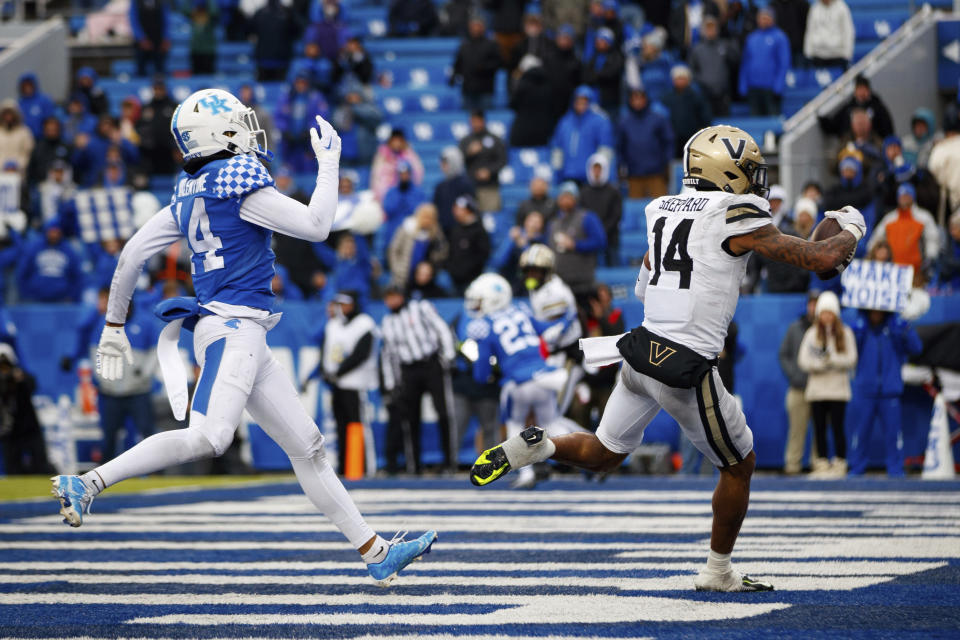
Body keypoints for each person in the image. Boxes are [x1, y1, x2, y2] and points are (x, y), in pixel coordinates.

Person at [49, 89, 437, 585]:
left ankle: (374, 549)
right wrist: (329, 164)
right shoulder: (238, 184)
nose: (249, 131)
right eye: (238, 122)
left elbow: (129, 255)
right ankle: (88, 482)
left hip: (239, 331)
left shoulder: (187, 192)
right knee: (210, 437)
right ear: (217, 132)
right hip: (233, 329)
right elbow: (318, 226)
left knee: (310, 447)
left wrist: (114, 325)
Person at [470, 124, 867, 592]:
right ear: (725, 171)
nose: (755, 181)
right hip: (684, 366)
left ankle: (541, 447)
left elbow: (644, 278)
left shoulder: (662, 208)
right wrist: (853, 229)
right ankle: (718, 572)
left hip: (640, 352)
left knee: (603, 453)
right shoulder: (732, 211)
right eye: (749, 171)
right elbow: (818, 260)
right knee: (739, 465)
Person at [464, 273, 586, 488]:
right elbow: (548, 329)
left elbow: (481, 372)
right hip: (544, 375)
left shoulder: (484, 325)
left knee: (515, 426)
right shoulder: (521, 310)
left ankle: (526, 474)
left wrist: (487, 374)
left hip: (518, 383)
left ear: (492, 300)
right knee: (551, 424)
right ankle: (587, 455)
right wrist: (567, 318)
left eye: (479, 302)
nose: (475, 308)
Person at [379, 284, 456, 473]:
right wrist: (391, 382)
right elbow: (388, 354)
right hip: (408, 370)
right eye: (388, 298)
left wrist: (448, 356)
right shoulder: (387, 322)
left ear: (401, 295)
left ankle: (449, 462)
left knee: (443, 412)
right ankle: (415, 465)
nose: (392, 301)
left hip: (430, 364)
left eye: (394, 296)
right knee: (411, 418)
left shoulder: (421, 307)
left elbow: (442, 329)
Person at [848, 302, 923, 478]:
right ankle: (857, 468)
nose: (876, 312)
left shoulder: (895, 329)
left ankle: (895, 470)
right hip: (865, 390)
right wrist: (857, 332)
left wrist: (905, 330)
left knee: (893, 434)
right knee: (861, 432)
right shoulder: (860, 328)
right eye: (873, 309)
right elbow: (849, 353)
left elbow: (917, 348)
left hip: (890, 391)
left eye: (880, 309)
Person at [311, 291, 378, 473]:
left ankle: (363, 467)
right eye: (340, 304)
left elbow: (361, 354)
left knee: (357, 424)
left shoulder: (364, 323)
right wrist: (327, 373)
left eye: (347, 304)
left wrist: (338, 372)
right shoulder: (333, 324)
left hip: (356, 384)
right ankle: (343, 466)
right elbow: (325, 352)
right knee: (340, 425)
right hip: (336, 385)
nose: (343, 308)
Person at [797, 290, 857, 477]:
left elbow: (852, 359)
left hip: (838, 391)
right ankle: (821, 463)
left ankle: (840, 462)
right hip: (817, 391)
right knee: (819, 429)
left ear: (836, 314)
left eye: (830, 312)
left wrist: (834, 361)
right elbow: (803, 361)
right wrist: (819, 365)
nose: (827, 316)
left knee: (838, 428)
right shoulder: (812, 333)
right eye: (823, 312)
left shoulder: (845, 333)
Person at [779, 290, 820, 474]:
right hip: (798, 389)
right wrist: (795, 375)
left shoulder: (829, 328)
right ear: (807, 305)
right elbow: (783, 354)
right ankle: (792, 465)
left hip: (821, 389)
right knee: (796, 431)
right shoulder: (795, 327)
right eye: (812, 303)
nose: (814, 307)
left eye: (818, 303)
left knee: (820, 431)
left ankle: (819, 465)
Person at [868, 183, 940, 279]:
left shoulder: (923, 217)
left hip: (916, 271)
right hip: (891, 271)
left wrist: (931, 256)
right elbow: (877, 237)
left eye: (907, 195)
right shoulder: (890, 219)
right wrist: (870, 253)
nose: (904, 198)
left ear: (913, 197)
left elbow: (932, 238)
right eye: (901, 196)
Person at [0, 343, 53, 474]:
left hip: (30, 428)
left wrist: (20, 379)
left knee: (41, 467)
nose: (4, 371)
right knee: (13, 470)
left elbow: (32, 385)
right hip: (9, 432)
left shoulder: (22, 377)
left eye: (6, 366)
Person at [548, 181, 607, 295]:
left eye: (568, 196)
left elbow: (600, 242)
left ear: (576, 198)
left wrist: (575, 245)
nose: (565, 200)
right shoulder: (554, 223)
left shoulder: (587, 218)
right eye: (562, 196)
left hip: (583, 282)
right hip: (559, 282)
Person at [550, 86, 615, 184]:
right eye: (578, 101)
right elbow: (557, 149)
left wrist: (601, 175)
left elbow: (605, 150)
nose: (581, 105)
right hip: (568, 176)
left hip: (590, 177)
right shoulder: (565, 122)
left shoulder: (600, 122)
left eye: (584, 102)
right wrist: (557, 171)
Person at [617, 87, 673, 199]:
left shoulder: (658, 119)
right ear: (630, 101)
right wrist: (620, 167)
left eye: (640, 98)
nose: (638, 102)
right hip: (634, 175)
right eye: (635, 99)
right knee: (636, 209)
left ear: (646, 100)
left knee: (661, 208)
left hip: (656, 174)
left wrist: (666, 163)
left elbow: (668, 142)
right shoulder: (624, 122)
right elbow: (619, 146)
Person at [737, 6, 790, 116]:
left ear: (772, 19)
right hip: (753, 87)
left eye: (766, 17)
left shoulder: (779, 37)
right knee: (755, 120)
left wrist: (778, 85)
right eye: (761, 17)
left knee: (772, 121)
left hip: (770, 88)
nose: (763, 20)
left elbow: (783, 63)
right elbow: (745, 63)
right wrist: (743, 84)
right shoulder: (752, 38)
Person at [275, 72, 331, 173]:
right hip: (289, 143)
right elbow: (278, 116)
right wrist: (285, 131)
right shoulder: (286, 98)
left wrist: (310, 131)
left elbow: (321, 117)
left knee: (308, 169)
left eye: (303, 83)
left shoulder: (315, 98)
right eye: (298, 83)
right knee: (288, 170)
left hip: (308, 142)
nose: (301, 86)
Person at [16, 219, 83, 302]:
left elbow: (77, 276)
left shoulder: (69, 250)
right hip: (36, 298)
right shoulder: (34, 248)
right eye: (51, 232)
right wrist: (26, 294)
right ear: (46, 231)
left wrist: (72, 296)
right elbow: (23, 272)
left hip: (61, 299)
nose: (54, 235)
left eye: (56, 232)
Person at [387, 202, 448, 291]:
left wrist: (431, 265)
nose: (426, 220)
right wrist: (398, 269)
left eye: (429, 217)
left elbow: (442, 250)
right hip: (404, 274)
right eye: (424, 216)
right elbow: (394, 250)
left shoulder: (436, 232)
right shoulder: (406, 228)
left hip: (425, 276)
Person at [688, 15, 738, 117]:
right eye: (708, 29)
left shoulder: (725, 46)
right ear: (703, 31)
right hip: (704, 92)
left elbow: (735, 63)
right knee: (707, 123)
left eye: (713, 28)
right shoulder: (697, 49)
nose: (711, 31)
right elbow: (692, 70)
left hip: (723, 92)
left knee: (724, 124)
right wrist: (703, 81)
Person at [451, 15, 502, 112]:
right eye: (473, 26)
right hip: (468, 88)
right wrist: (453, 76)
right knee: (467, 120)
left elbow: (498, 63)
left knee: (485, 118)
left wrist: (484, 67)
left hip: (485, 88)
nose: (475, 29)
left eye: (477, 26)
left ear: (483, 27)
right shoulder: (464, 45)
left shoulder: (491, 45)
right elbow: (458, 63)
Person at [819, 74, 894, 140]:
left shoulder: (878, 107)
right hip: (850, 145)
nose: (862, 92)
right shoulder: (849, 107)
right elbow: (834, 125)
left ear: (868, 90)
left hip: (873, 144)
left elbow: (887, 128)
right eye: (859, 89)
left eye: (864, 89)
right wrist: (822, 119)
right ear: (855, 91)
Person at [458, 110, 507, 213]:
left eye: (477, 121)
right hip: (470, 188)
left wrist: (489, 171)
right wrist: (469, 153)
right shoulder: (465, 141)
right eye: (473, 122)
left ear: (483, 121)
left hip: (490, 187)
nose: (475, 125)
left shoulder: (495, 140)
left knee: (491, 216)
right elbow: (457, 161)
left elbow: (503, 160)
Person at [661, 65, 712, 160]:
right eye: (677, 78)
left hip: (692, 137)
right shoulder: (667, 98)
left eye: (682, 78)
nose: (680, 81)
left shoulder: (697, 97)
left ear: (688, 80)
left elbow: (705, 116)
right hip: (673, 137)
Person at [580, 153, 622, 266]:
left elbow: (616, 215)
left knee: (613, 268)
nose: (597, 173)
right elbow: (582, 214)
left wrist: (602, 231)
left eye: (599, 169)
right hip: (590, 239)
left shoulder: (614, 191)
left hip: (611, 238)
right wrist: (594, 232)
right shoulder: (584, 192)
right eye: (594, 169)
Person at [493, 210, 547, 293]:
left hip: (531, 287)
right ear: (525, 222)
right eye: (531, 221)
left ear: (542, 225)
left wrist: (524, 246)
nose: (533, 224)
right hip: (510, 283)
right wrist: (510, 240)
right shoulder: (514, 237)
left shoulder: (542, 241)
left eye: (537, 222)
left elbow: (537, 264)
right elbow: (499, 262)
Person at [445, 195, 489, 294]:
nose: (456, 212)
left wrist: (467, 271)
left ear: (468, 210)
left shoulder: (479, 231)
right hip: (454, 278)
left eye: (460, 209)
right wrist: (451, 269)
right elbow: (450, 252)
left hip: (472, 279)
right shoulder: (455, 230)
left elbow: (483, 254)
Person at [370, 128, 424, 203]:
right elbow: (376, 177)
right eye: (395, 141)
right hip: (386, 194)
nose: (397, 144)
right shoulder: (382, 156)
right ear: (390, 141)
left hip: (405, 192)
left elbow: (418, 173)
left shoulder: (410, 154)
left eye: (399, 141)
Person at [582, 27, 625, 118]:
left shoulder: (616, 57)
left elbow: (611, 74)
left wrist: (596, 76)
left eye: (602, 40)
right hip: (592, 100)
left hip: (609, 102)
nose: (599, 43)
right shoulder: (593, 57)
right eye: (598, 40)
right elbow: (586, 76)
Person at [382, 160, 428, 245]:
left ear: (410, 174)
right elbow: (388, 209)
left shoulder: (418, 192)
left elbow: (421, 211)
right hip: (393, 234)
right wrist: (400, 196)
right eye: (401, 174)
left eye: (406, 173)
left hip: (413, 235)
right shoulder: (391, 192)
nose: (404, 176)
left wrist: (407, 199)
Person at [433, 146, 474, 233]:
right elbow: (436, 208)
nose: (442, 166)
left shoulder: (465, 184)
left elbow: (471, 209)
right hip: (443, 230)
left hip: (462, 231)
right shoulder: (440, 186)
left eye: (445, 163)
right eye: (442, 163)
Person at [803, 0, 854, 68]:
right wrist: (808, 53)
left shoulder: (842, 8)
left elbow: (848, 31)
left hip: (837, 55)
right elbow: (810, 30)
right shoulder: (814, 8)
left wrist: (847, 54)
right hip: (818, 55)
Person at [130, 0, 171, 76]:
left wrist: (166, 38)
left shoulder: (161, 2)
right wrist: (141, 38)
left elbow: (166, 19)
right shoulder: (136, 2)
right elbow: (133, 20)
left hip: (158, 41)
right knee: (141, 70)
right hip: (141, 43)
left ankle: (160, 86)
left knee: (160, 70)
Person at [17, 73, 56, 140]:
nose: (27, 87)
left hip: (41, 139)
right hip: (24, 140)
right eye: (25, 85)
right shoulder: (19, 103)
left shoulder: (44, 100)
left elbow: (50, 119)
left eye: (29, 84)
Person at [0, 101, 34, 176]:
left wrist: (16, 166)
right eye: (6, 114)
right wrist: (3, 166)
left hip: (18, 173)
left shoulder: (24, 132)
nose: (8, 116)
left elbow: (27, 153)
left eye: (10, 114)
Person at [184, 0, 218, 75]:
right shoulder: (194, 16)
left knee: (209, 74)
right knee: (196, 74)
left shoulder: (210, 17)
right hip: (195, 50)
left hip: (208, 50)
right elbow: (184, 10)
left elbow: (214, 11)